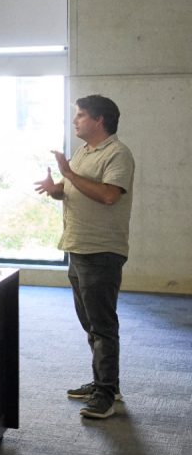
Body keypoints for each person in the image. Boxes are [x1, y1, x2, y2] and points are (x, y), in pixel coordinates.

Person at [35, 94, 135, 420]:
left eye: (80, 116)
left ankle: (106, 394)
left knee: (103, 326)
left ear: (99, 120)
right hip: (77, 248)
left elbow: (108, 195)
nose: (75, 121)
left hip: (102, 251)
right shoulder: (84, 152)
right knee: (90, 324)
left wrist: (68, 172)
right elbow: (71, 188)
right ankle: (104, 383)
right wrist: (55, 187)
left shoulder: (118, 154)